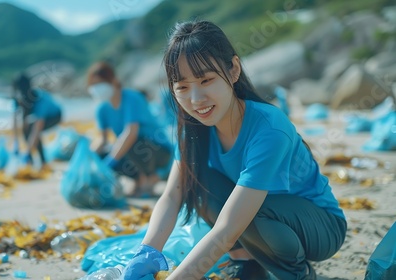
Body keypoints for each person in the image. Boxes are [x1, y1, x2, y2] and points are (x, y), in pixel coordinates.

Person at [121, 20, 347, 280]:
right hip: (260, 224)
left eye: (206, 80)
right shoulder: (192, 129)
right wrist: (148, 251)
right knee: (195, 182)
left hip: (319, 228)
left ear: (233, 70)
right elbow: (172, 196)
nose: (196, 100)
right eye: (182, 87)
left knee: (251, 212)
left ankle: (296, 273)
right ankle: (245, 261)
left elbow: (229, 227)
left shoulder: (269, 127)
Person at [86, 62, 172, 197]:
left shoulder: (131, 98)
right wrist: (89, 157)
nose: (97, 88)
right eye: (94, 85)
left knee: (130, 141)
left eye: (101, 83)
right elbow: (102, 139)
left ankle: (151, 178)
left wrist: (110, 163)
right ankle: (138, 179)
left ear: (113, 80)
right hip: (133, 149)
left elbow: (131, 132)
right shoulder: (102, 108)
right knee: (103, 153)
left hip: (158, 149)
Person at [12, 73, 63, 167]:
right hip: (36, 116)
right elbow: (15, 121)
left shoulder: (39, 99)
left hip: (55, 115)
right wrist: (16, 142)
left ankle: (43, 162)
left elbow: (37, 129)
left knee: (32, 129)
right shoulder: (17, 99)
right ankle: (29, 162)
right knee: (26, 128)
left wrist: (27, 151)